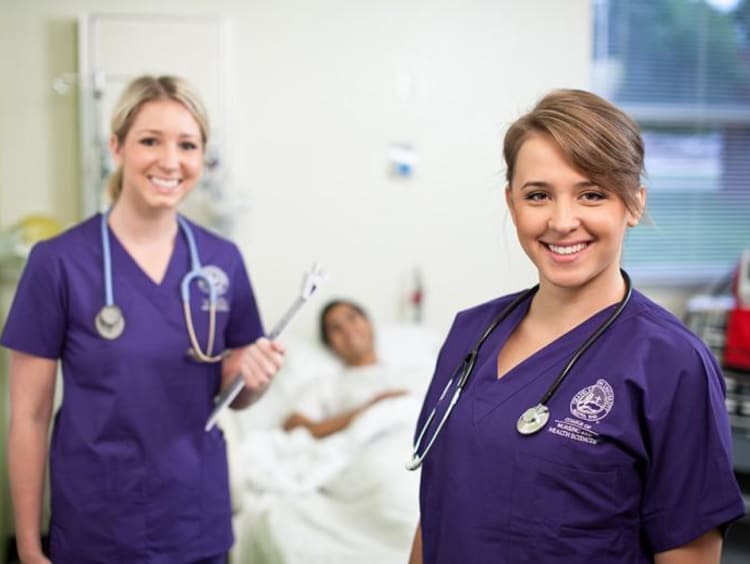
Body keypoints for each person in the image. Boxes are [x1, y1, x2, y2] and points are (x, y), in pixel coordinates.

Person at [407, 89, 745, 564]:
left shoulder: (672, 363)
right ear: (512, 203)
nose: (562, 221)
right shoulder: (470, 334)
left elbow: (688, 554)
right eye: (539, 195)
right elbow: (439, 510)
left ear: (633, 203)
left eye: (591, 194)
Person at [2, 75, 285, 563]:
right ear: (116, 146)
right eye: (150, 141)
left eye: (188, 145)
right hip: (96, 524)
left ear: (202, 157)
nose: (170, 161)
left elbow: (235, 394)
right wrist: (29, 546)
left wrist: (255, 380)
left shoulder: (222, 262)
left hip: (196, 521)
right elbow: (28, 417)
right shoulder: (58, 263)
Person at [282, 299, 410, 439]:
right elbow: (292, 427)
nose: (348, 330)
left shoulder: (413, 372)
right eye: (336, 328)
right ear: (330, 344)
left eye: (352, 318)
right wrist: (366, 411)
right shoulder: (326, 386)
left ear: (369, 323)